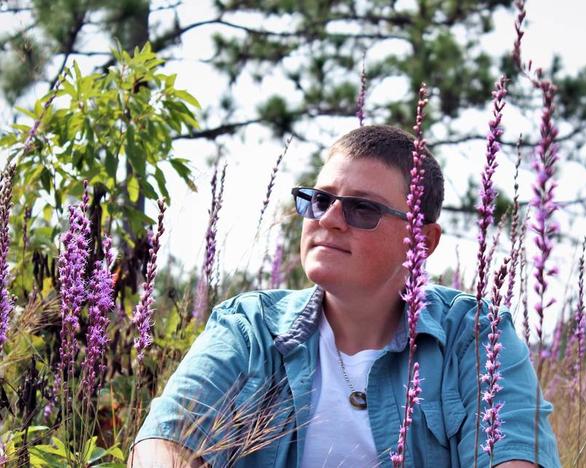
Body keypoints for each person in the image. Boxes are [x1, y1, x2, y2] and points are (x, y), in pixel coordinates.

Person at [129, 125, 560, 467]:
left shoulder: (477, 337)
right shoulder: (249, 329)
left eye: (362, 209)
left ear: (423, 240)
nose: (330, 219)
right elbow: (162, 444)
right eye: (320, 199)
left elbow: (515, 457)